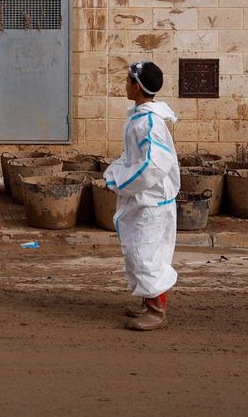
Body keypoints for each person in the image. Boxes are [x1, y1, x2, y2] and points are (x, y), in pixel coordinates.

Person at [103, 61, 179, 331]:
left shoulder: (148, 123)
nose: (124, 85)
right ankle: (148, 303)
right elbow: (133, 157)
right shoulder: (139, 117)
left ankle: (157, 311)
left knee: (146, 256)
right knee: (138, 253)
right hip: (143, 199)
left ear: (136, 87)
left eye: (127, 81)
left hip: (151, 202)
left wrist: (121, 183)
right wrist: (113, 174)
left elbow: (154, 165)